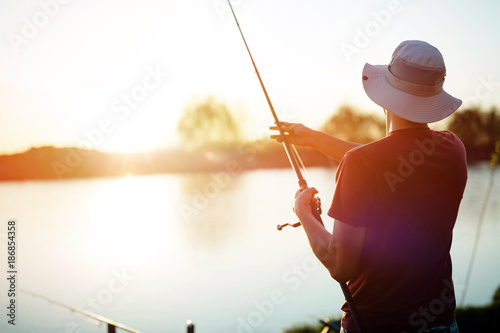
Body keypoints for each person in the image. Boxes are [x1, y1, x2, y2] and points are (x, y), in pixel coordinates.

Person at [271, 40, 467, 333]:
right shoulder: (453, 148)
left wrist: (304, 215)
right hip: (441, 324)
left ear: (384, 97)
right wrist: (312, 138)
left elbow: (340, 265)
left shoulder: (361, 164)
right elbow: (391, 162)